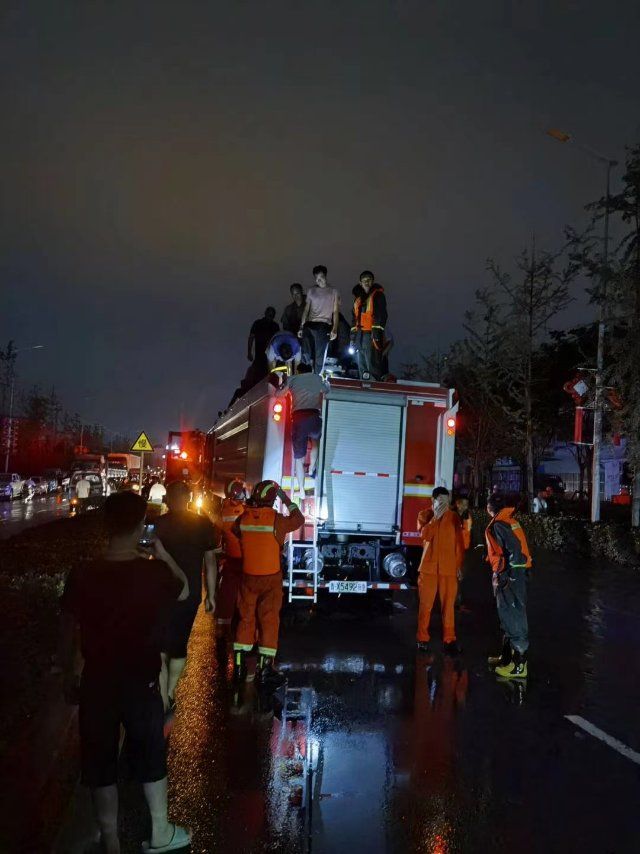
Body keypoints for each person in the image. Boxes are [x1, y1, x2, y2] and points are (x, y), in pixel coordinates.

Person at [59, 491, 191, 854]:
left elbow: (68, 629)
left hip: (97, 682)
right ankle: (160, 833)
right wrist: (164, 555)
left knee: (99, 762)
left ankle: (110, 841)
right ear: (139, 526)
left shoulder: (83, 572)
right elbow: (185, 591)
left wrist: (68, 673)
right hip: (141, 681)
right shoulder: (153, 572)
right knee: (149, 755)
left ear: (105, 525)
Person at [154, 481, 218, 711]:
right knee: (179, 643)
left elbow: (151, 555)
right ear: (189, 498)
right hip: (189, 594)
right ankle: (170, 692)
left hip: (160, 593)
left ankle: (162, 694)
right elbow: (210, 562)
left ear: (169, 499)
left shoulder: (159, 523)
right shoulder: (203, 524)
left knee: (160, 643)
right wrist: (211, 595)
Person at [232, 481, 304, 683]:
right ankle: (265, 670)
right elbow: (298, 519)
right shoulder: (277, 521)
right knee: (269, 620)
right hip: (271, 579)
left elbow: (236, 531)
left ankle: (239, 666)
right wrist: (285, 498)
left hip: (248, 578)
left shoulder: (243, 518)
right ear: (273, 498)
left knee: (246, 618)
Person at [485, 493, 532, 679]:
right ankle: (506, 658)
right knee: (507, 615)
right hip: (514, 573)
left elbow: (515, 551)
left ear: (490, 508)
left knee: (513, 616)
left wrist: (511, 577)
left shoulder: (499, 524)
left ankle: (519, 666)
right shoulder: (509, 520)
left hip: (511, 575)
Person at [416, 487, 465, 655]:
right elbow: (424, 536)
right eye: (441, 501)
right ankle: (422, 638)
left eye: (447, 501)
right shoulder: (424, 515)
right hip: (428, 569)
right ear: (433, 500)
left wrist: (458, 566)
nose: (445, 505)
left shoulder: (454, 518)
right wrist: (434, 519)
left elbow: (460, 545)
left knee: (448, 606)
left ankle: (449, 639)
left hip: (449, 569)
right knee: (425, 605)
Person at [278, 363, 330, 502]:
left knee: (299, 459)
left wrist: (282, 384)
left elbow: (279, 394)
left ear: (298, 371)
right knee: (315, 442)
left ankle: (301, 490)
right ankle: (312, 468)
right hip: (314, 416)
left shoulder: (293, 379)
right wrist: (326, 382)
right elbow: (326, 390)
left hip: (299, 418)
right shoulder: (317, 378)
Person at [214, 479, 247, 653]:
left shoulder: (223, 510)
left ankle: (221, 629)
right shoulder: (245, 511)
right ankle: (244, 630)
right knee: (246, 596)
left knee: (226, 594)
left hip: (229, 560)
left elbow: (217, 540)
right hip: (246, 562)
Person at [297, 265, 340, 373]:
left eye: (320, 277)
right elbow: (306, 310)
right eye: (316, 278)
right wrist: (301, 327)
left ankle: (316, 378)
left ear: (325, 276)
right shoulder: (311, 291)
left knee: (320, 354)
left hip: (324, 325)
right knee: (306, 353)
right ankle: (304, 376)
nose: (318, 280)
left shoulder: (334, 292)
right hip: (310, 324)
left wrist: (334, 329)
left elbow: (335, 312)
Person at [350, 271, 388, 380]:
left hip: (370, 335)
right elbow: (354, 320)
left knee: (372, 363)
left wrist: (376, 334)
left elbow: (381, 315)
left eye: (369, 280)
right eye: (364, 280)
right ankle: (363, 385)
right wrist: (352, 338)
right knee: (361, 363)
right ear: (360, 282)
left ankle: (374, 385)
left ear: (373, 281)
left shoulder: (378, 295)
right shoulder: (357, 299)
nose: (367, 282)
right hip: (359, 336)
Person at [247, 307, 280, 384]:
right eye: (269, 314)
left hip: (271, 355)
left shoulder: (275, 326)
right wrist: (249, 352)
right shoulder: (257, 323)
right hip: (259, 353)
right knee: (257, 373)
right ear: (265, 313)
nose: (270, 316)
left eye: (272, 315)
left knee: (269, 373)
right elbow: (251, 337)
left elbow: (278, 340)